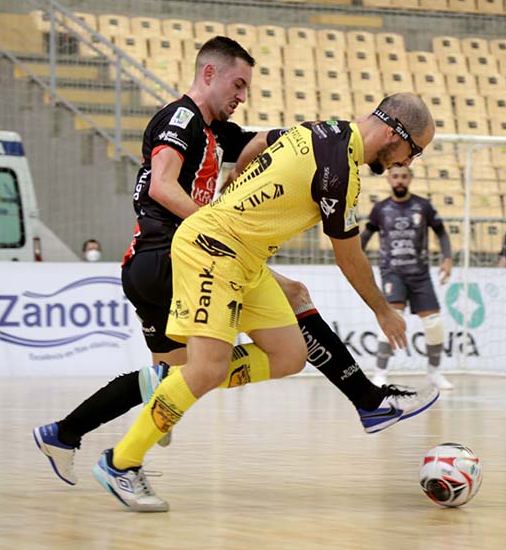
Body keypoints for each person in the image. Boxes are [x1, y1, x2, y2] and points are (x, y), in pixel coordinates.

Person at [33, 38, 435, 486]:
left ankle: (65, 434)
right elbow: (162, 186)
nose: (242, 96)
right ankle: (121, 460)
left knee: (212, 368)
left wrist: (237, 181)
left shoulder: (242, 131)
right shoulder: (183, 117)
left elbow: (260, 142)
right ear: (210, 73)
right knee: (198, 372)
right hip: (171, 252)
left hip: (206, 251)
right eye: (238, 84)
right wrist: (222, 216)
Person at [359, 164, 454, 390]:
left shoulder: (423, 206)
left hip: (420, 274)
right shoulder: (380, 209)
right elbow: (365, 235)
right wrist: (354, 259)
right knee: (393, 319)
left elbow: (441, 231)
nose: (399, 180)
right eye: (395, 177)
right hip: (393, 274)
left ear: (409, 179)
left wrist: (448, 259)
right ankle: (380, 373)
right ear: (389, 180)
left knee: (434, 324)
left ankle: (434, 372)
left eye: (403, 176)